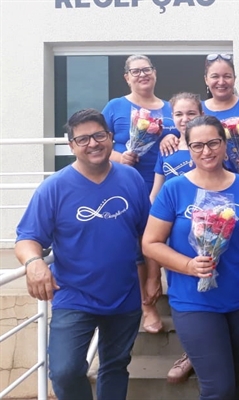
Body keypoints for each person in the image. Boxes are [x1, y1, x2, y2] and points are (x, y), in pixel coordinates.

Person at [15, 109, 151, 400]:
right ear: (72, 145)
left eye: (99, 135)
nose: (93, 143)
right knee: (64, 371)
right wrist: (34, 261)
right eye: (83, 138)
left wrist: (151, 278)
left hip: (124, 294)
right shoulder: (54, 188)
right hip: (74, 296)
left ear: (111, 138)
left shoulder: (132, 180)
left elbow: (147, 236)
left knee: (116, 366)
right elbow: (27, 238)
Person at [142, 115, 239, 400]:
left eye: (212, 143)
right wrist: (188, 265)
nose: (206, 151)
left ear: (224, 143)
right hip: (194, 300)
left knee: (235, 382)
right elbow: (150, 243)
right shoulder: (174, 189)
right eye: (197, 146)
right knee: (217, 389)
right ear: (188, 147)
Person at [102, 54, 179, 335]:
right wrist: (119, 156)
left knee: (164, 239)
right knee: (136, 243)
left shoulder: (171, 109)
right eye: (135, 71)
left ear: (155, 73)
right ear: (127, 77)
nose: (142, 75)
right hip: (126, 184)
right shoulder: (115, 107)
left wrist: (173, 137)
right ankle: (147, 306)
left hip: (165, 185)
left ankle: (163, 287)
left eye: (146, 69)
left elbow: (186, 136)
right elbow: (99, 143)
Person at [149, 92, 203, 384]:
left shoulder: (209, 146)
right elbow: (156, 192)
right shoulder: (166, 148)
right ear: (172, 118)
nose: (185, 119)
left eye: (191, 113)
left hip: (210, 233)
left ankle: (200, 353)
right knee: (181, 293)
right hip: (176, 235)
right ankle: (191, 352)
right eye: (179, 115)